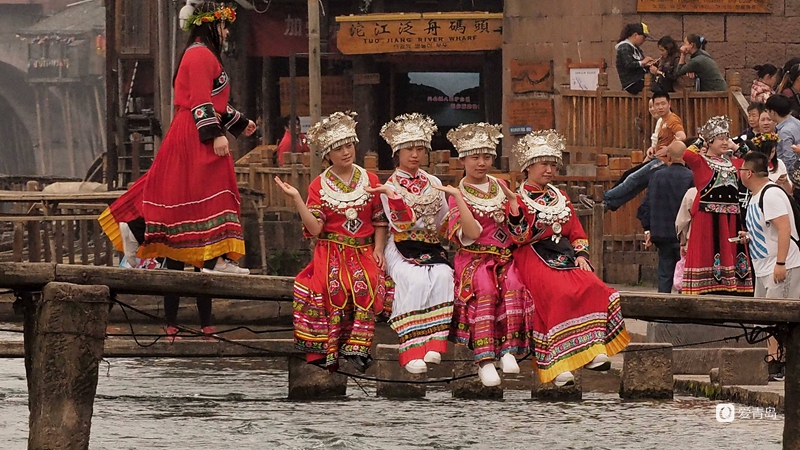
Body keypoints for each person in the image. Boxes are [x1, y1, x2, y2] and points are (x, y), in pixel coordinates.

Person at [99, 2, 254, 340]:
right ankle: (144, 232)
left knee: (190, 204)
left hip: (193, 130)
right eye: (223, 26)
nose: (227, 32)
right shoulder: (199, 55)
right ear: (209, 26)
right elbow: (199, 100)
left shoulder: (203, 54)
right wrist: (216, 135)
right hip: (194, 135)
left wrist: (238, 122)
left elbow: (210, 101)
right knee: (207, 195)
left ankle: (208, 258)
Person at [275, 111, 414, 372]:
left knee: (370, 282)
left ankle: (358, 347)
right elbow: (315, 228)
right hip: (331, 251)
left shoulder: (370, 179)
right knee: (334, 286)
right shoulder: (318, 185)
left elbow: (379, 220)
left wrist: (379, 249)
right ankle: (332, 350)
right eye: (338, 149)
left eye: (349, 145)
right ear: (328, 154)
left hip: (363, 249)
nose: (346, 152)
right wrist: (297, 199)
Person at [507, 130, 630, 387]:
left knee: (595, 286)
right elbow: (519, 238)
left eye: (553, 165)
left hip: (564, 255)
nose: (550, 170)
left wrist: (582, 254)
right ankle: (559, 363)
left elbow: (576, 231)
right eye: (544, 164)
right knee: (559, 293)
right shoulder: (518, 199)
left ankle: (594, 350)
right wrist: (517, 214)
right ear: (528, 166)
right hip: (531, 255)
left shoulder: (560, 197)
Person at [436, 123, 534, 387]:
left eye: (487, 157)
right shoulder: (457, 193)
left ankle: (509, 350)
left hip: (505, 257)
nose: (482, 163)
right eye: (475, 157)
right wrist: (458, 198)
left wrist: (513, 203)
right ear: (463, 160)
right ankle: (485, 359)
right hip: (474, 258)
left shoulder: (500, 185)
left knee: (515, 284)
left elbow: (519, 233)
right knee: (485, 289)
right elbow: (471, 233)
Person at [379, 113, 455, 375]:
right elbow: (400, 224)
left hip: (431, 246)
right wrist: (394, 198)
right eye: (409, 149)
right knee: (415, 280)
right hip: (401, 245)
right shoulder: (390, 186)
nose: (415, 154)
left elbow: (445, 220)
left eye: (420, 149)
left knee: (444, 275)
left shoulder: (434, 182)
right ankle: (410, 348)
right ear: (397, 152)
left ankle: (434, 342)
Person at [675, 117, 753, 295]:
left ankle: (731, 287)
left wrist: (735, 146)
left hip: (731, 219)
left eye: (726, 138)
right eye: (720, 139)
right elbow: (687, 155)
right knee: (708, 252)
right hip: (708, 219)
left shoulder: (732, 163)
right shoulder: (701, 162)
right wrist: (701, 139)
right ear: (710, 141)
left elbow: (753, 159)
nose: (725, 142)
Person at [740, 151, 800, 381]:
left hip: (782, 264)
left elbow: (784, 228)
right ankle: (773, 359)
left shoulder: (771, 194)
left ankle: (781, 362)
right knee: (765, 318)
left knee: (779, 317)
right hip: (762, 266)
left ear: (749, 173)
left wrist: (781, 263)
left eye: (741, 169)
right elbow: (767, 229)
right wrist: (749, 236)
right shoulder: (754, 197)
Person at [579, 91, 685, 211]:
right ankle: (607, 204)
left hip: (663, 161)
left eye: (663, 104)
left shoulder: (673, 119)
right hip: (657, 158)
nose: (660, 107)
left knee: (633, 179)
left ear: (669, 104)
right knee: (635, 184)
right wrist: (654, 148)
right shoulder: (663, 121)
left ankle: (600, 197)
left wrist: (668, 149)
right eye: (657, 104)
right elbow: (666, 140)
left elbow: (682, 136)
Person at [637, 141, 695, 293]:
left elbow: (645, 206)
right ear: (685, 156)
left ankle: (663, 302)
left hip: (661, 234)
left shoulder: (657, 176)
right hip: (683, 235)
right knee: (684, 275)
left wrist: (648, 229)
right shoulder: (691, 177)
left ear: (668, 155)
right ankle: (683, 304)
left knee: (664, 274)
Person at [615, 22, 654, 94]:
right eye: (643, 37)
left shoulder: (636, 48)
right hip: (631, 83)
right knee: (656, 87)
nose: (644, 40)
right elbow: (628, 64)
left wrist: (648, 65)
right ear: (635, 35)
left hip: (639, 80)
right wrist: (643, 62)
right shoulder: (624, 47)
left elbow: (638, 64)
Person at [766, 94, 800, 173]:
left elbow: (788, 159)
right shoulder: (797, 122)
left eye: (767, 111)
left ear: (773, 112)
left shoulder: (785, 132)